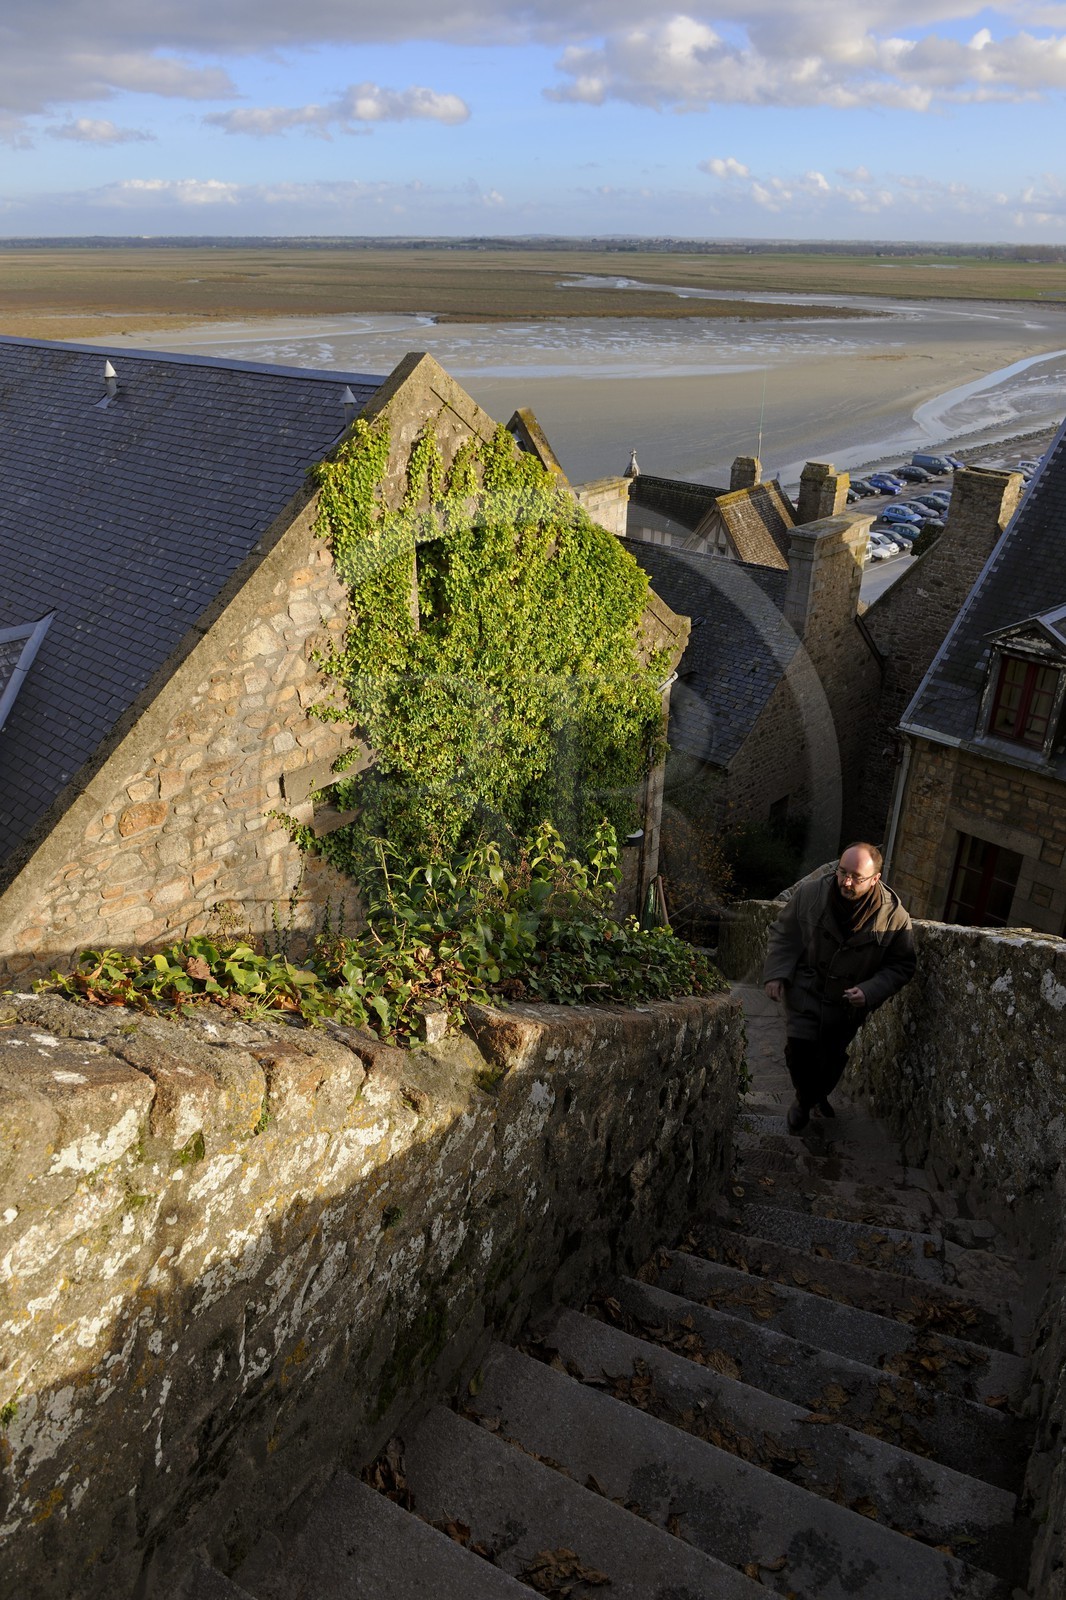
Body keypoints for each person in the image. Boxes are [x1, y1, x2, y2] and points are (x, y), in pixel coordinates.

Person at [762, 842, 916, 1133]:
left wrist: (869, 990)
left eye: (856, 877)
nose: (846, 882)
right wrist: (776, 974)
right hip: (806, 992)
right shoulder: (810, 894)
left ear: (875, 879)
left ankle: (816, 1095)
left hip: (845, 1007)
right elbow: (784, 933)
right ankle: (803, 1103)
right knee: (798, 1052)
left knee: (830, 1060)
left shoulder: (894, 918)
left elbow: (902, 966)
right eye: (841, 872)